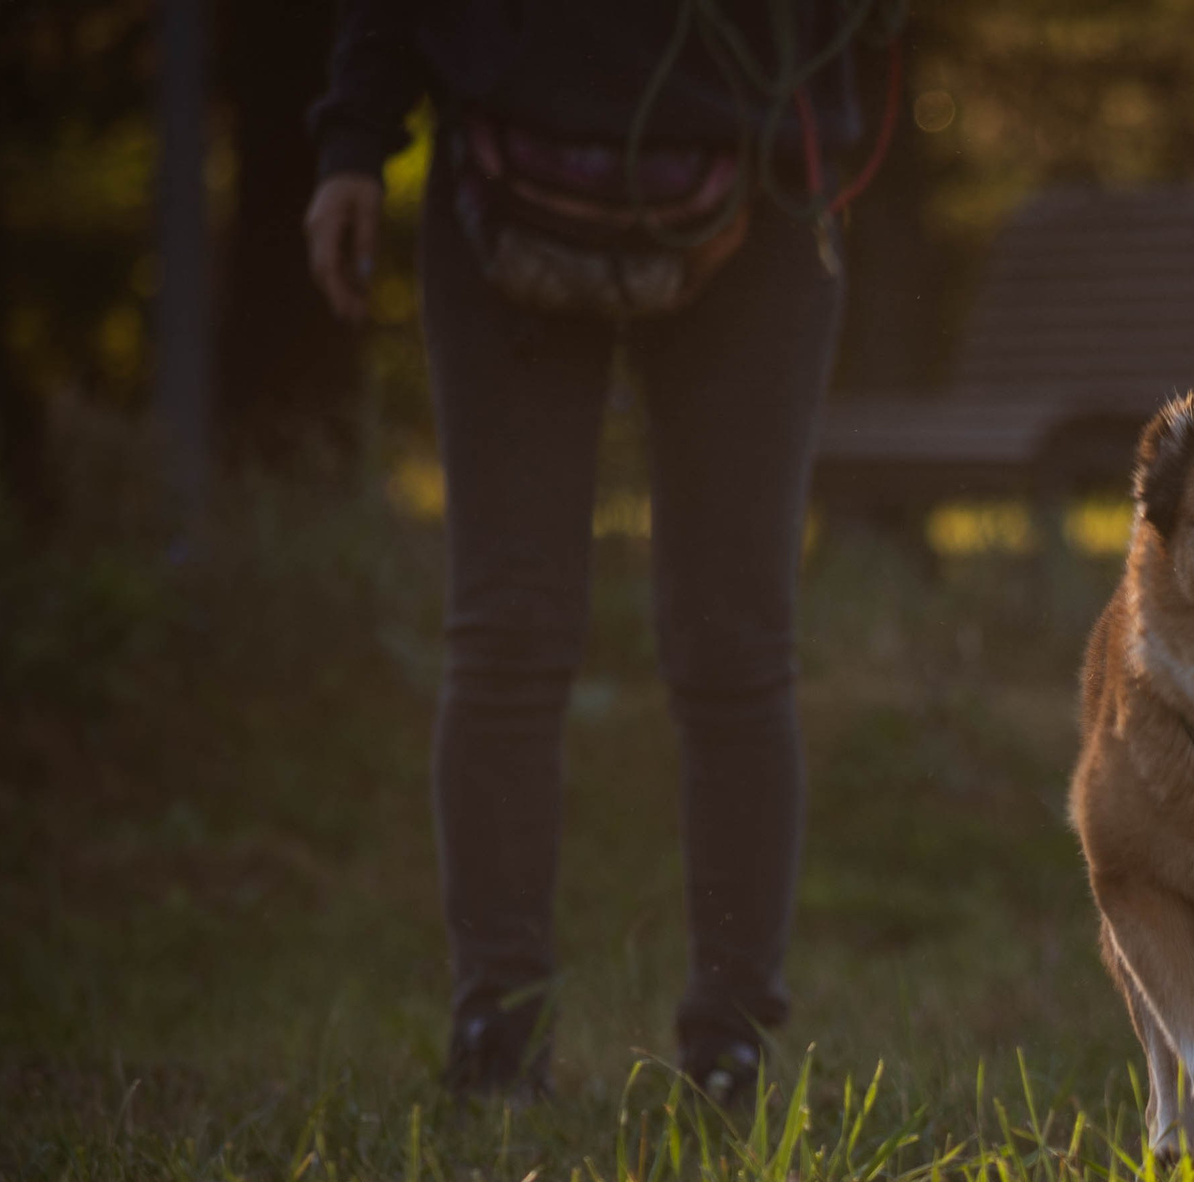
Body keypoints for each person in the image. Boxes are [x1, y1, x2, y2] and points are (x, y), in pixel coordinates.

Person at [305, 2, 894, 1104]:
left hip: (758, 187)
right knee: (514, 634)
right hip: (506, 165)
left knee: (728, 645)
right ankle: (500, 1032)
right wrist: (351, 146)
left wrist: (803, 139)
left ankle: (727, 1042)